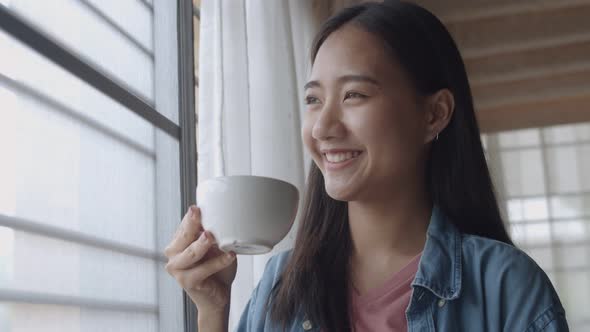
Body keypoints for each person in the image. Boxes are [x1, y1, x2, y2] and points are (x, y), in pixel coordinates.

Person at [164, 1, 570, 331]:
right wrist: (212, 312)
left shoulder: (506, 286)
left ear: (434, 114)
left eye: (354, 95)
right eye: (313, 99)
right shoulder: (282, 285)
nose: (322, 127)